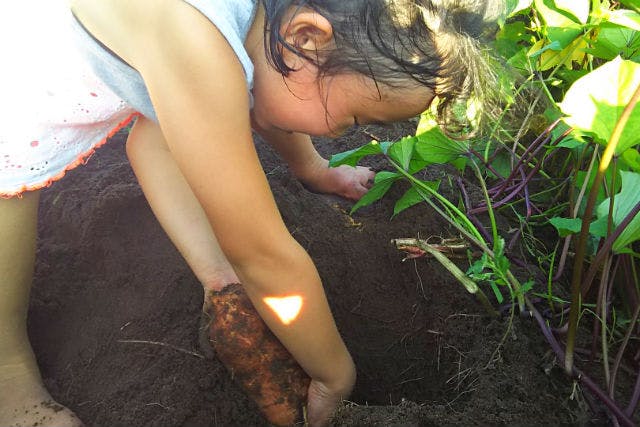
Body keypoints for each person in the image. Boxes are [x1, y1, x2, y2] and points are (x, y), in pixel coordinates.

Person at [0, 0, 504, 425]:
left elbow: (159, 144)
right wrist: (334, 375)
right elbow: (263, 256)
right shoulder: (199, 50)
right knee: (10, 185)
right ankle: (10, 381)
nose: (344, 131)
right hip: (20, 68)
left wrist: (311, 170)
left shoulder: (266, 27)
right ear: (307, 35)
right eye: (353, 117)